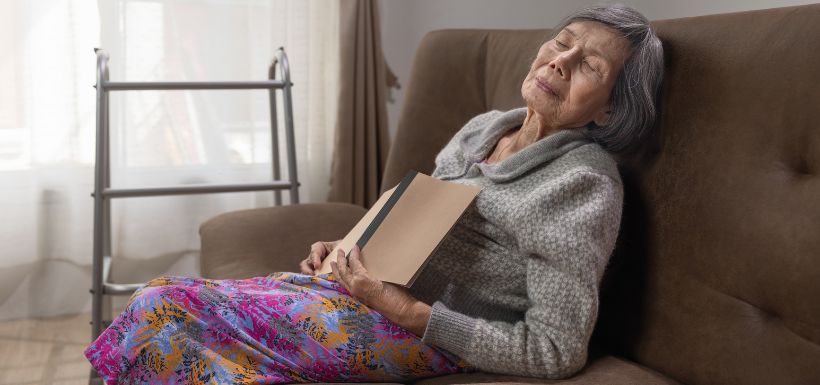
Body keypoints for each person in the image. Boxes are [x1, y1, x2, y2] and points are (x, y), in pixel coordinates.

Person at [85, 4, 663, 383]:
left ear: (612, 107)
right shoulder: (484, 128)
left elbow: (555, 351)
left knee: (160, 311)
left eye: (587, 65)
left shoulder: (582, 185)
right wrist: (352, 246)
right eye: (560, 43)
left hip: (421, 330)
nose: (559, 62)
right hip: (361, 295)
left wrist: (406, 311)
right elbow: (422, 222)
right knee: (159, 306)